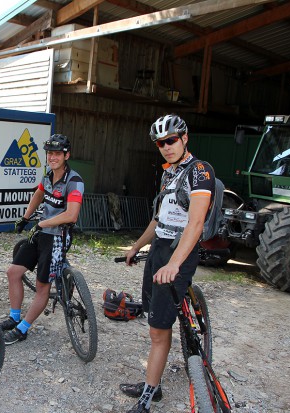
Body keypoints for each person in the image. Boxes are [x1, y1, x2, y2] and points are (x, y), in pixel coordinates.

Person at [120, 114, 216, 413]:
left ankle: (149, 396)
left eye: (171, 140)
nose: (166, 146)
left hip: (180, 252)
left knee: (159, 329)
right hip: (161, 248)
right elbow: (159, 219)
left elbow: (196, 222)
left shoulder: (200, 171)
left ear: (184, 138)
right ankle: (154, 380)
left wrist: (174, 263)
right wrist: (136, 246)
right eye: (161, 142)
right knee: (154, 320)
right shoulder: (168, 173)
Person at [1, 134, 84, 345]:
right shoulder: (47, 176)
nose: (53, 157)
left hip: (57, 237)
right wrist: (26, 217)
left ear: (67, 155)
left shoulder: (74, 181)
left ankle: (23, 328)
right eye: (50, 153)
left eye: (57, 153)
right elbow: (39, 194)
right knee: (13, 272)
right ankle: (14, 316)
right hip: (41, 232)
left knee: (42, 287)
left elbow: (71, 215)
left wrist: (41, 224)